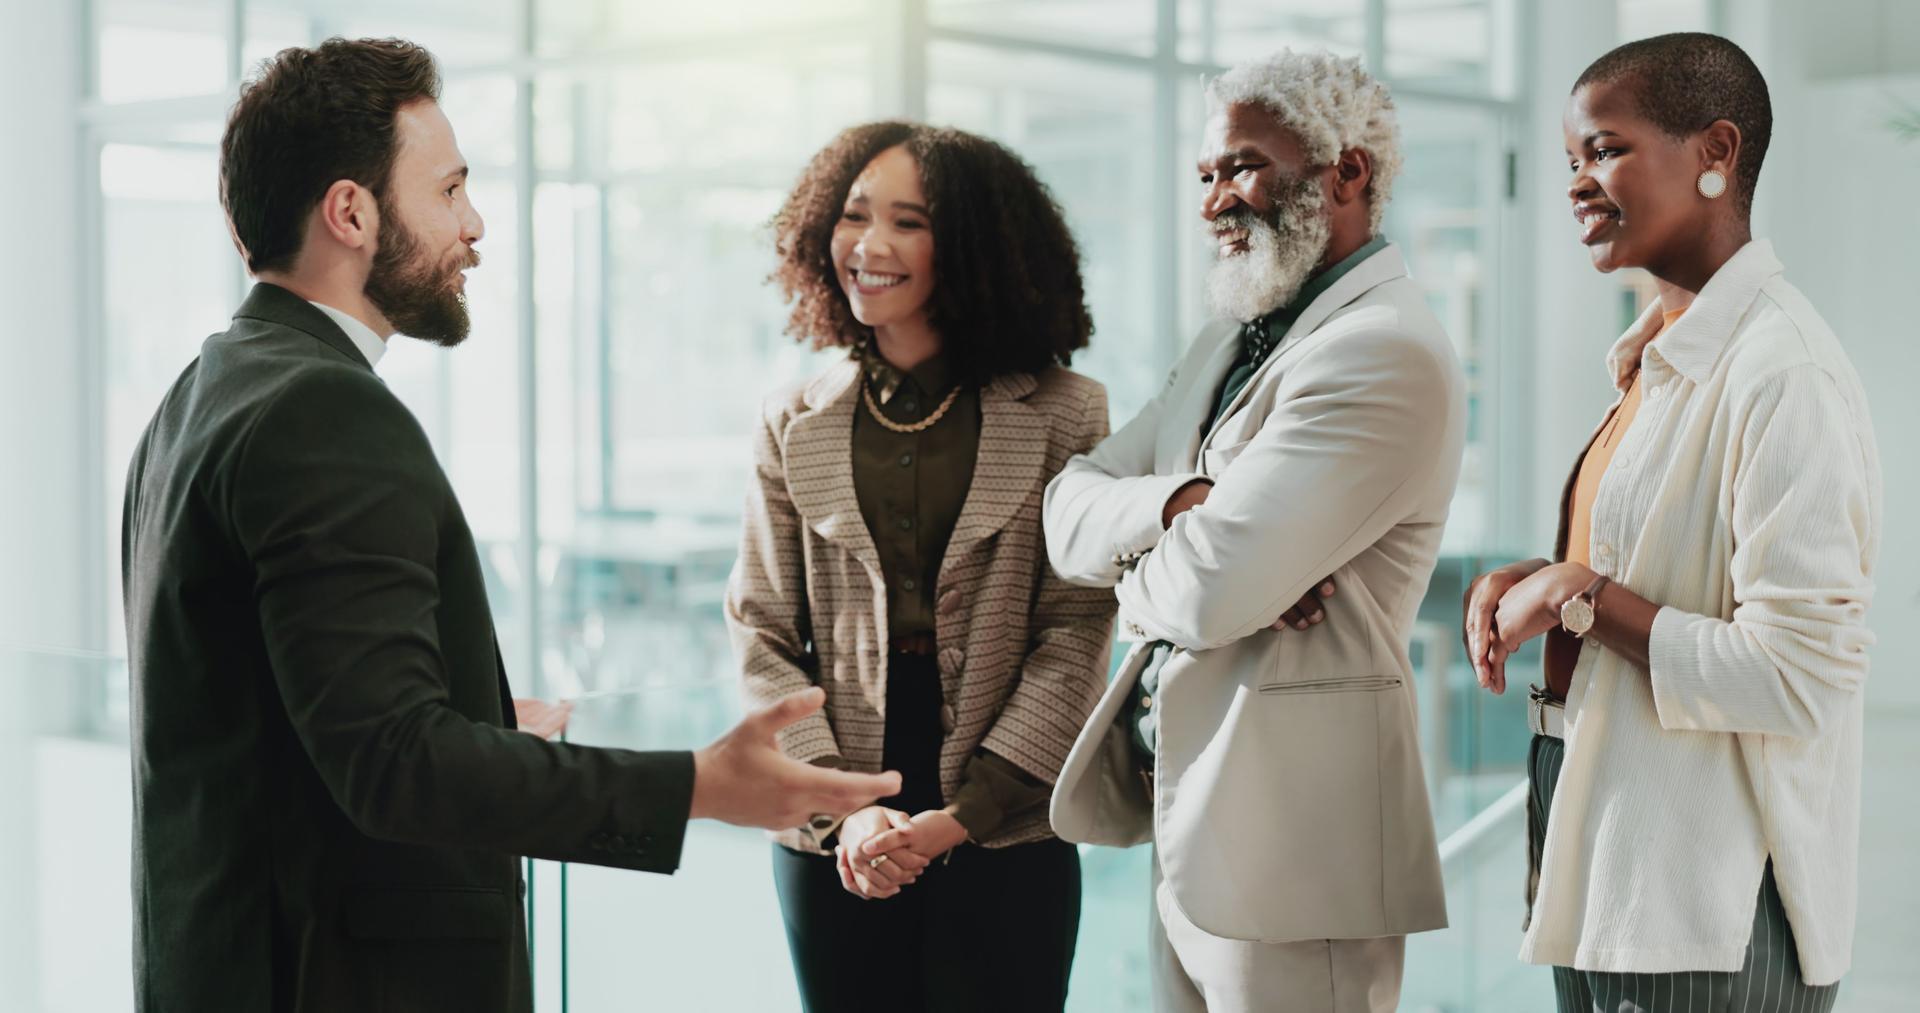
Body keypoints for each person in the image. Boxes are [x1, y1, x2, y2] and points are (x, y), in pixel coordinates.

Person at [120, 38, 897, 1013]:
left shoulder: (201, 394)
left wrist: (478, 713)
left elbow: (270, 717)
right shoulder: (323, 413)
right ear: (351, 213)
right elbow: (397, 765)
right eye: (449, 190)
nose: (475, 224)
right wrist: (700, 782)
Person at [1462, 32, 1881, 1011]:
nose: (1577, 182)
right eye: (1570, 159)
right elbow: (1656, 576)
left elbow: (1802, 674)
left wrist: (1582, 600)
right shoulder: (1657, 360)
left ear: (1715, 153)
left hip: (1711, 902)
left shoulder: (1784, 375)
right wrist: (1548, 573)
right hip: (1608, 854)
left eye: (1604, 149)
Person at [1044, 50, 1463, 1013]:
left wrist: (1163, 557)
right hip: (1192, 826)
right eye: (1206, 175)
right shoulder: (1228, 339)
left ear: (1346, 171)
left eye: (1241, 166)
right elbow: (1066, 506)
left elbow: (1206, 591)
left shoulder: (1381, 351)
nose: (1214, 202)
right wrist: (1181, 506)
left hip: (1294, 855)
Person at [727, 120, 1115, 1012]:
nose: (869, 245)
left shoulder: (1065, 412)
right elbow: (762, 634)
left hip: (1008, 812)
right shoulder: (793, 417)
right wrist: (844, 811)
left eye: (908, 221)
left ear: (974, 246)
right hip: (834, 821)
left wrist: (965, 814)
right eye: (854, 215)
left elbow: (1076, 629)